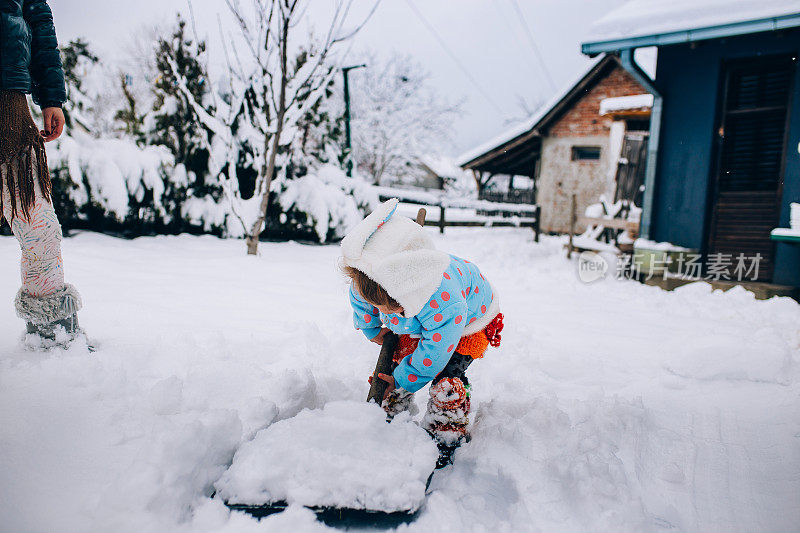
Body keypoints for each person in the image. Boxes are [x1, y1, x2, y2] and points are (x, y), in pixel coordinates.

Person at [341, 198, 504, 465]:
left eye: (388, 309)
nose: (383, 313)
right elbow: (361, 299)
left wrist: (407, 378)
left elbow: (436, 350)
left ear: (407, 295)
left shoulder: (442, 301)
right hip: (419, 315)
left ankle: (446, 430)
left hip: (466, 323)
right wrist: (372, 328)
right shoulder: (369, 277)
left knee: (445, 379)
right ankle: (391, 413)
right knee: (393, 369)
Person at [1, 0, 83, 346]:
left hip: (7, 103)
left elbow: (38, 19)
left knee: (38, 224)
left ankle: (51, 335)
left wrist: (51, 95)